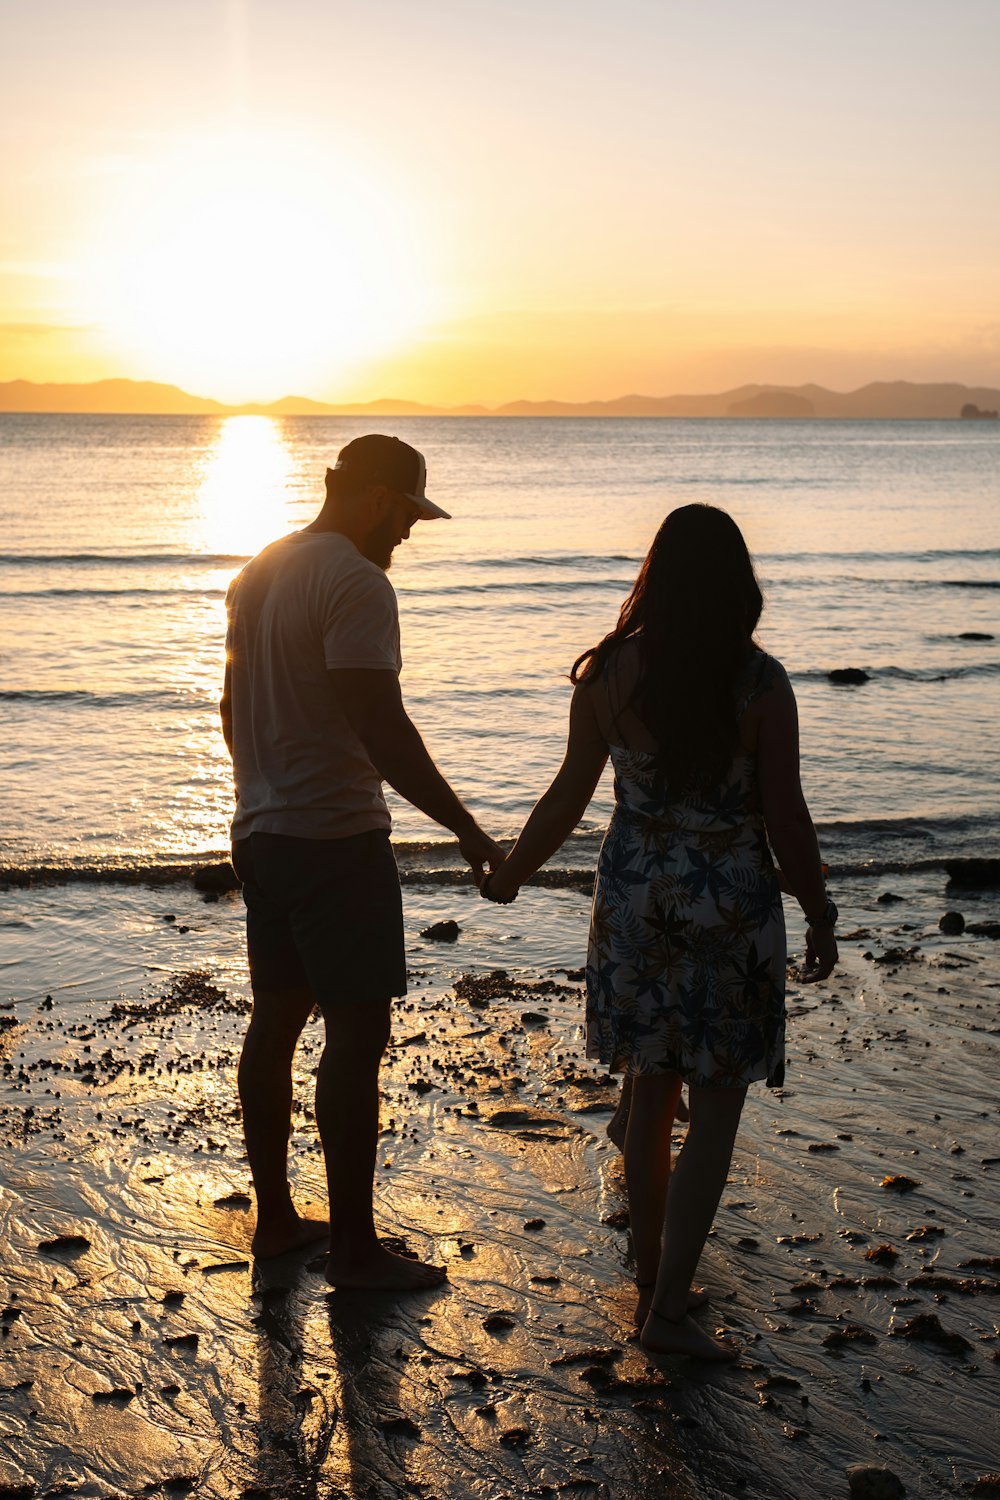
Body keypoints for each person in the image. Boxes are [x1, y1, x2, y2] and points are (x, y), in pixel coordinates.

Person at [482, 503, 837, 1359]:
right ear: (738, 584)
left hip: (636, 901)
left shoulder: (609, 675)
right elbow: (786, 818)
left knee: (649, 1092)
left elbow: (568, 795)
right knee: (714, 1109)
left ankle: (651, 1274)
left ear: (656, 575)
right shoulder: (758, 683)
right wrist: (819, 911)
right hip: (730, 905)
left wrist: (512, 871)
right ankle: (669, 1313)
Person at [221, 434, 503, 1290]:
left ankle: (276, 1221)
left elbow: (231, 706)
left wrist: (262, 791)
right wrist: (467, 829)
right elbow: (381, 726)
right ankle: (352, 1251)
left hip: (261, 834)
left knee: (275, 1022)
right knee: (356, 1038)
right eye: (410, 514)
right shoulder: (355, 580)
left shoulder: (258, 570)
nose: (410, 535)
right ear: (379, 497)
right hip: (335, 841)